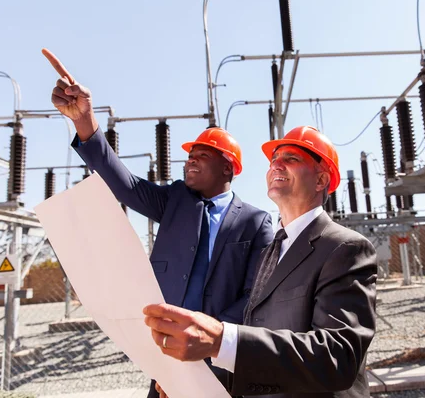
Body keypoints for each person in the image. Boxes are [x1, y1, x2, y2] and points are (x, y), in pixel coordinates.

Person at [42, 48, 274, 397]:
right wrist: (84, 122)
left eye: (201, 157)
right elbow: (124, 183)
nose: (190, 163)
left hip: (220, 356)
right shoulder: (174, 201)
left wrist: (211, 338)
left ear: (228, 168)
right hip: (164, 353)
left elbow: (256, 295)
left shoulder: (256, 223)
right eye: (189, 158)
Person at [144, 125, 378, 398]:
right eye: (273, 160)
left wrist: (221, 340)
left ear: (321, 180)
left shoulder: (344, 248)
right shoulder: (271, 252)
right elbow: (259, 343)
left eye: (291, 158)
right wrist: (196, 382)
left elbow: (338, 356)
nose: (276, 165)